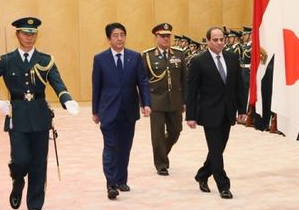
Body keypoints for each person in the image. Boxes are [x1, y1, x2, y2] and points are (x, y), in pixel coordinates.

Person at [0, 17, 79, 210]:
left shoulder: (45, 60)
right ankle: (18, 180)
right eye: (25, 33)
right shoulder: (6, 60)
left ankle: (35, 203)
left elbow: (57, 82)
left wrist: (67, 100)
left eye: (33, 34)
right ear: (17, 35)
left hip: (39, 115)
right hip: (18, 116)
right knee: (20, 160)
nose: (29, 37)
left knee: (39, 161)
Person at [186, 27, 247, 199]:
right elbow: (192, 91)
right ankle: (224, 185)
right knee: (215, 148)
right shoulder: (198, 61)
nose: (220, 42)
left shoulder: (232, 57)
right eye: (215, 40)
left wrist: (242, 109)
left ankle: (203, 174)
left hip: (228, 111)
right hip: (209, 111)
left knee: (218, 149)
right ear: (207, 41)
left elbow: (239, 86)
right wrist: (190, 115)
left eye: (222, 39)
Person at [92, 22, 151, 199]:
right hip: (108, 110)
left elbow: (143, 82)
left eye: (122, 35)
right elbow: (97, 86)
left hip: (128, 110)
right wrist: (95, 111)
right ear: (109, 39)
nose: (119, 38)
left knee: (125, 146)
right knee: (111, 146)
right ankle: (111, 184)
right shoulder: (100, 59)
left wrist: (146, 103)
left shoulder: (135, 57)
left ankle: (121, 179)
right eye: (116, 35)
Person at [143, 23, 186, 176]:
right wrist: (144, 103)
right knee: (158, 134)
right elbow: (143, 81)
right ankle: (161, 163)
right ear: (156, 37)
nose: (166, 38)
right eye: (163, 36)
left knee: (176, 131)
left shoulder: (179, 54)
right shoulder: (148, 56)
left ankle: (162, 152)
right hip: (156, 100)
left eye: (168, 35)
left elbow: (184, 79)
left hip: (175, 100)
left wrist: (185, 100)